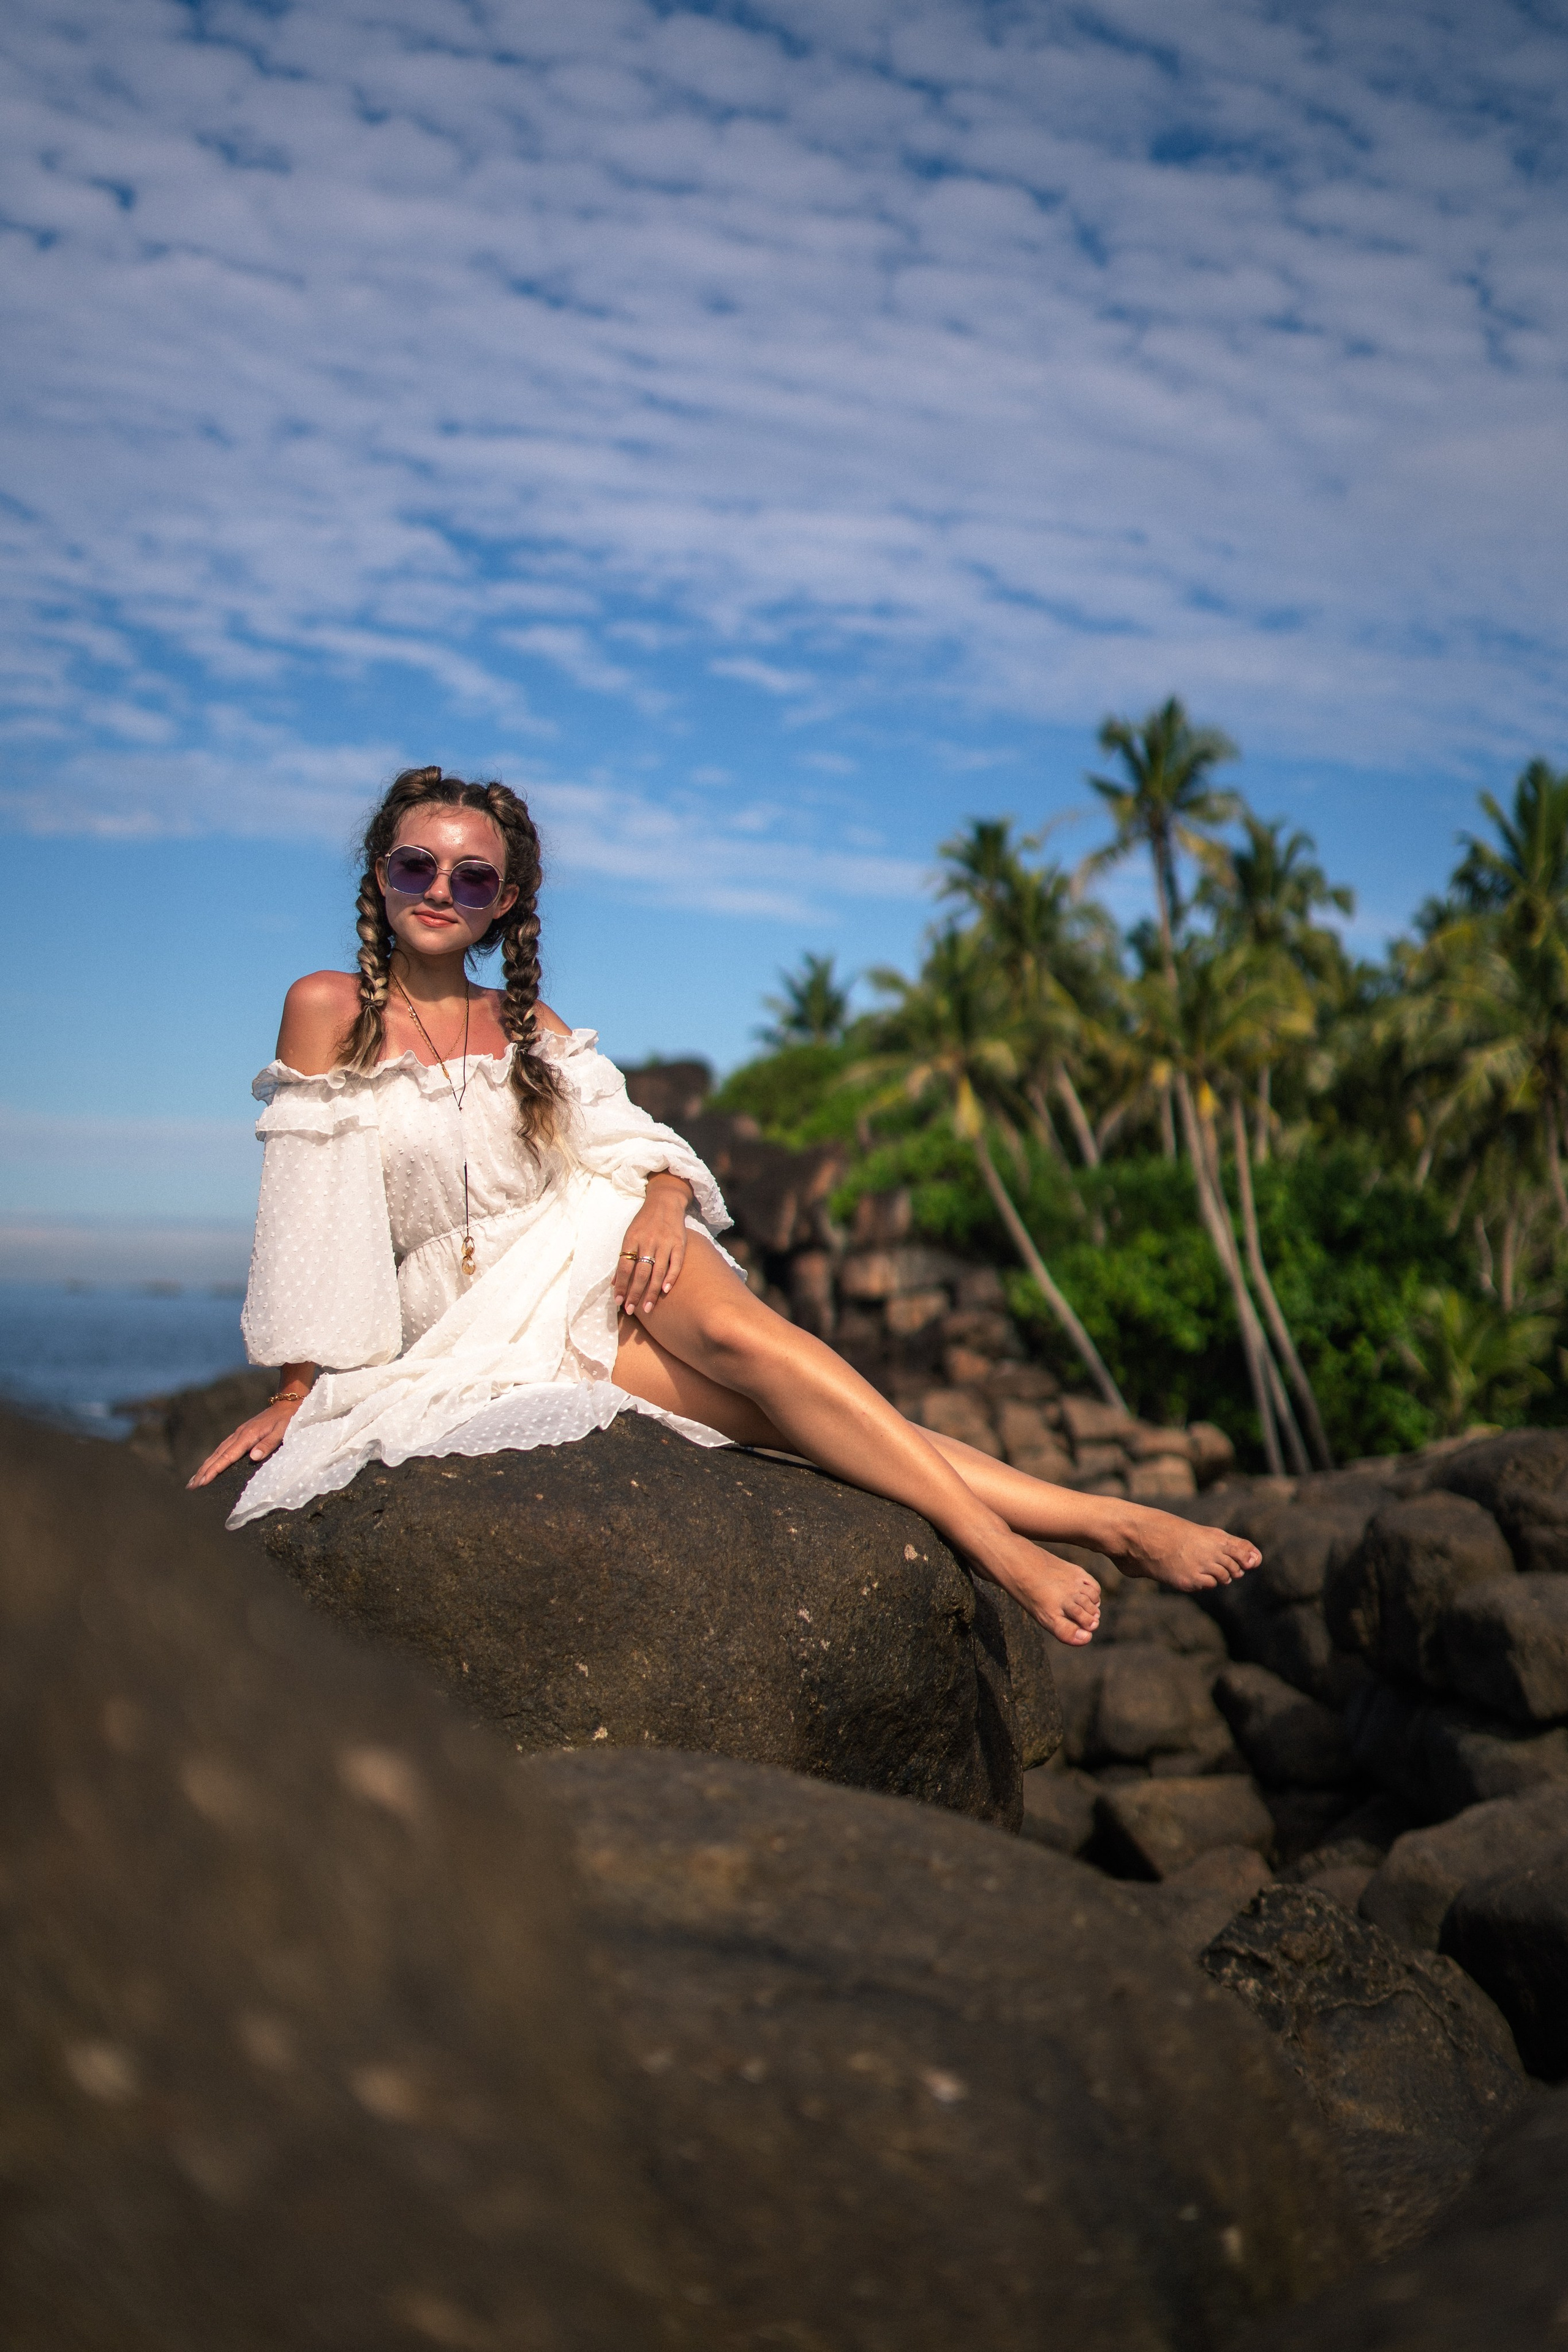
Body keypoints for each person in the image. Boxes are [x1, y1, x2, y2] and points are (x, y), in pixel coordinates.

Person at [191, 766, 1260, 1643]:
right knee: (784, 1422)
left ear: (504, 903)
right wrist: (300, 1384)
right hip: (474, 1317)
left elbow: (624, 1139)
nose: (440, 890)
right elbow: (309, 1211)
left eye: (473, 878)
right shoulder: (327, 1008)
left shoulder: (527, 1020)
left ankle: (1003, 1549)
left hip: (600, 1231)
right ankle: (1106, 1520)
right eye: (416, 864)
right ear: (379, 873)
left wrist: (664, 1201)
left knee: (752, 1343)